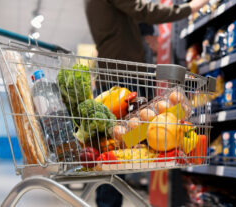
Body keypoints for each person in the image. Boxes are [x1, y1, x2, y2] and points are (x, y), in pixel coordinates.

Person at [85, 0, 209, 206]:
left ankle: (107, 203)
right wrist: (191, 7)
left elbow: (124, 18)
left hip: (113, 78)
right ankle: (108, 204)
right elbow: (144, 11)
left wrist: (144, 34)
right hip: (122, 83)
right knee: (119, 154)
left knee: (116, 152)